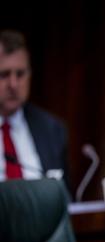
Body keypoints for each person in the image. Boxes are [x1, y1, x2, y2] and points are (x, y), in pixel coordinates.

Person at [0, 29, 68, 184]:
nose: (13, 84)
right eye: (4, 74)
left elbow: (63, 196)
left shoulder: (52, 130)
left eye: (20, 74)